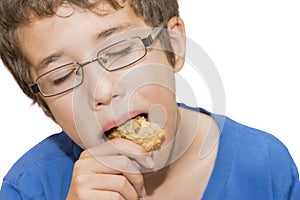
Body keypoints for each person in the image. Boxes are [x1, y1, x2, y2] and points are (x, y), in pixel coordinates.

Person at [0, 0, 299, 199]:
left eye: (119, 51)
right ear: (44, 104)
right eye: (62, 77)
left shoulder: (266, 166)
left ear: (174, 45)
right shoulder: (28, 188)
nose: (102, 92)